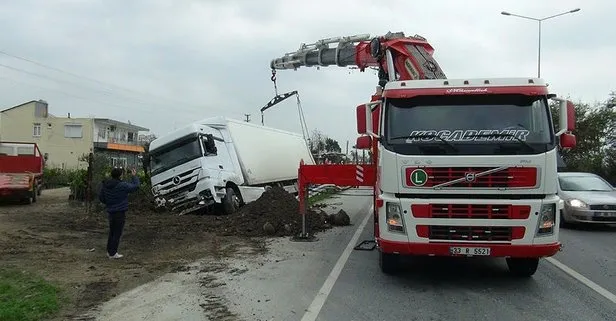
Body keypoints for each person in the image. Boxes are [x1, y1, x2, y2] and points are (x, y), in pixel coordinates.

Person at [99, 167, 140, 259]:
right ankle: (113, 253)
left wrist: (109, 203)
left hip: (110, 211)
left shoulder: (105, 184)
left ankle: (109, 251)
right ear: (120, 175)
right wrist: (134, 176)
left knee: (112, 232)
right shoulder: (122, 185)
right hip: (120, 212)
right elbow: (135, 187)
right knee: (117, 233)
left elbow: (101, 197)